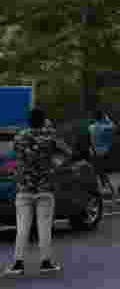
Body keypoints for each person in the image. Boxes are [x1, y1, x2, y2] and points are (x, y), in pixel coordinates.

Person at [5, 107, 68, 276]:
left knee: (22, 228)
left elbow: (16, 155)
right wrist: (55, 164)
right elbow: (67, 153)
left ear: (29, 120)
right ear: (44, 120)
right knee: (44, 227)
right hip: (45, 188)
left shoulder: (19, 137)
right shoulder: (50, 137)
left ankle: (17, 264)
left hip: (24, 188)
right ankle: (45, 262)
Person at [89, 110, 117, 199]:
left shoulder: (91, 127)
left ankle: (104, 187)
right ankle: (108, 188)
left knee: (98, 171)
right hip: (103, 152)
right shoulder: (104, 127)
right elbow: (114, 127)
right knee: (101, 171)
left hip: (93, 152)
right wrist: (107, 118)